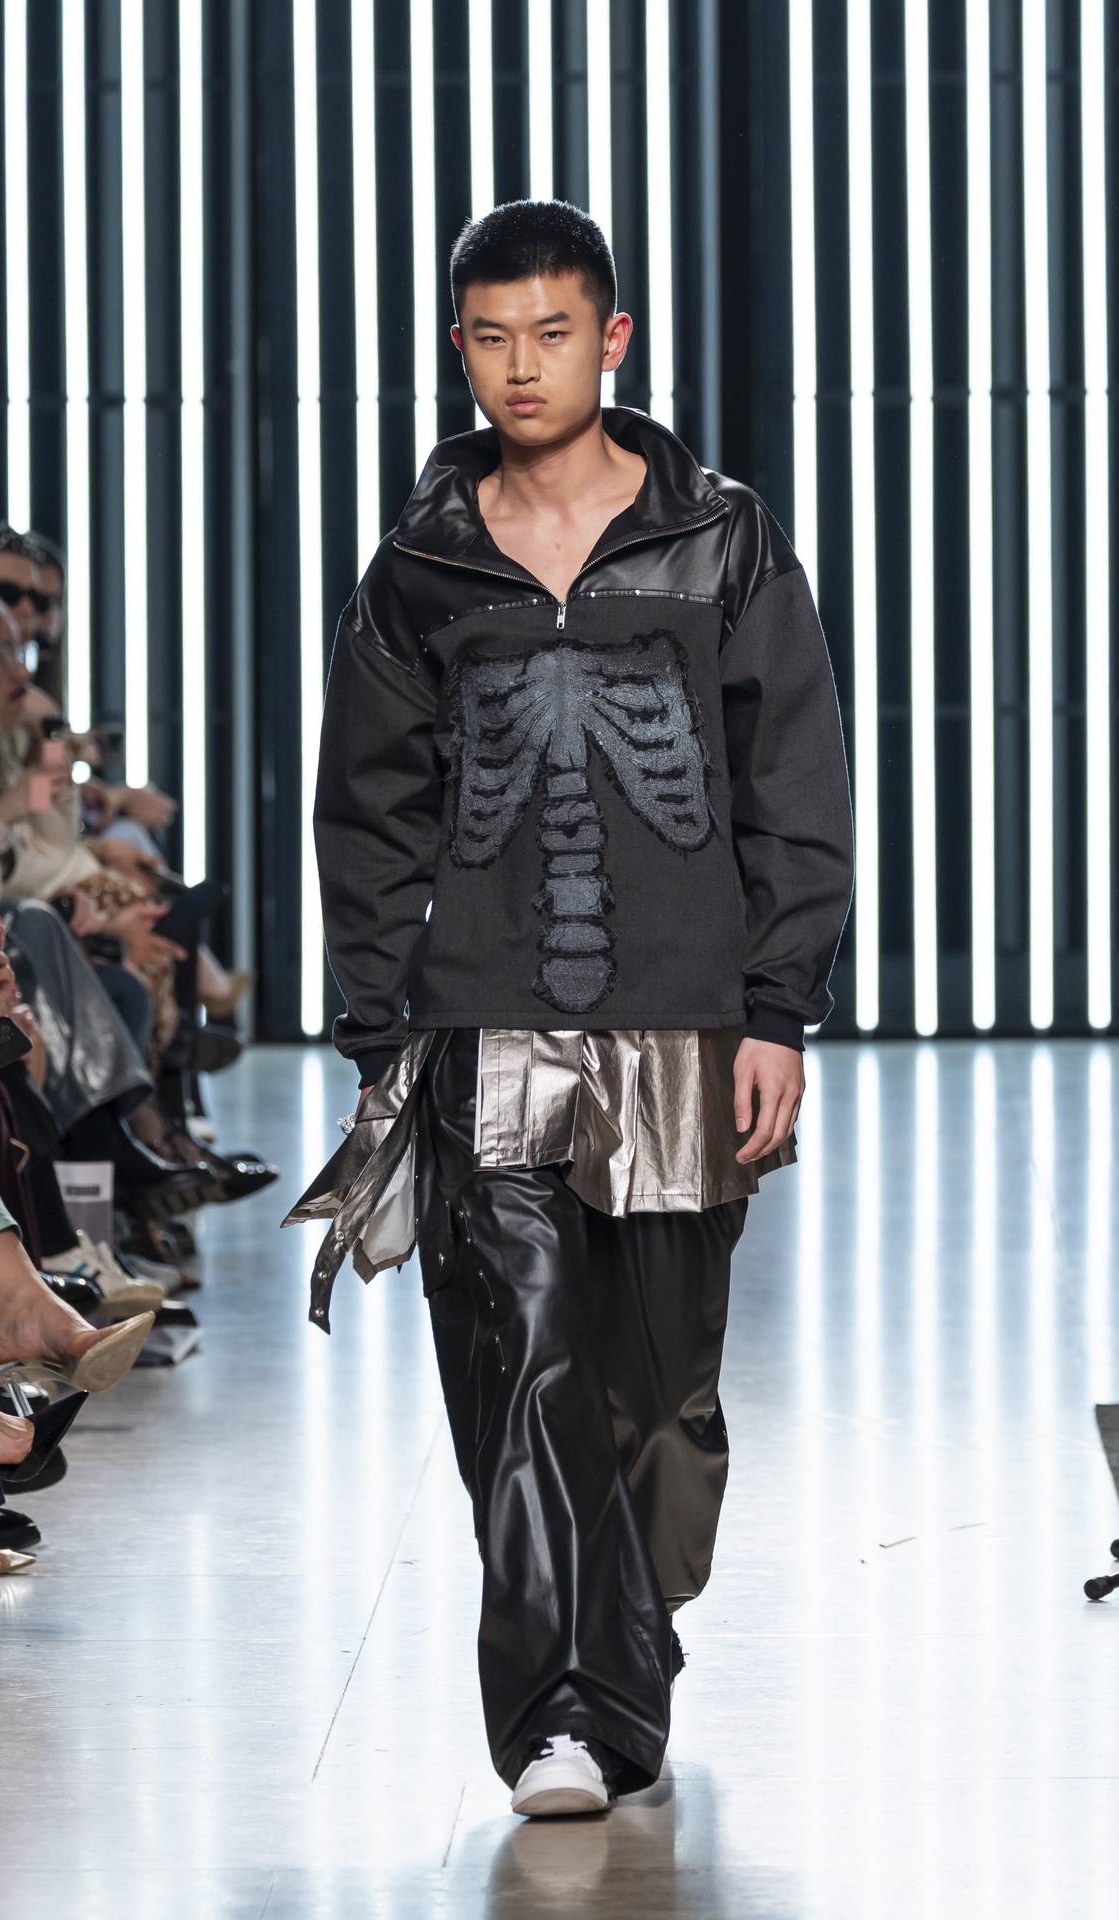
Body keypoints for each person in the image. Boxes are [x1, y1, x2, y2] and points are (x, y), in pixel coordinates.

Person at [286, 199, 854, 1818]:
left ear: (610, 339)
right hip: (482, 1020)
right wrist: (383, 1033)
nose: (521, 367)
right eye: (491, 338)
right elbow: (369, 809)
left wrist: (778, 1009)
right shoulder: (419, 569)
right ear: (457, 348)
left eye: (551, 334)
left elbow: (792, 778)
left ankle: (625, 1638)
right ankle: (559, 1719)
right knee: (518, 1363)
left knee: (656, 1400)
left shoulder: (722, 539)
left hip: (684, 1019)